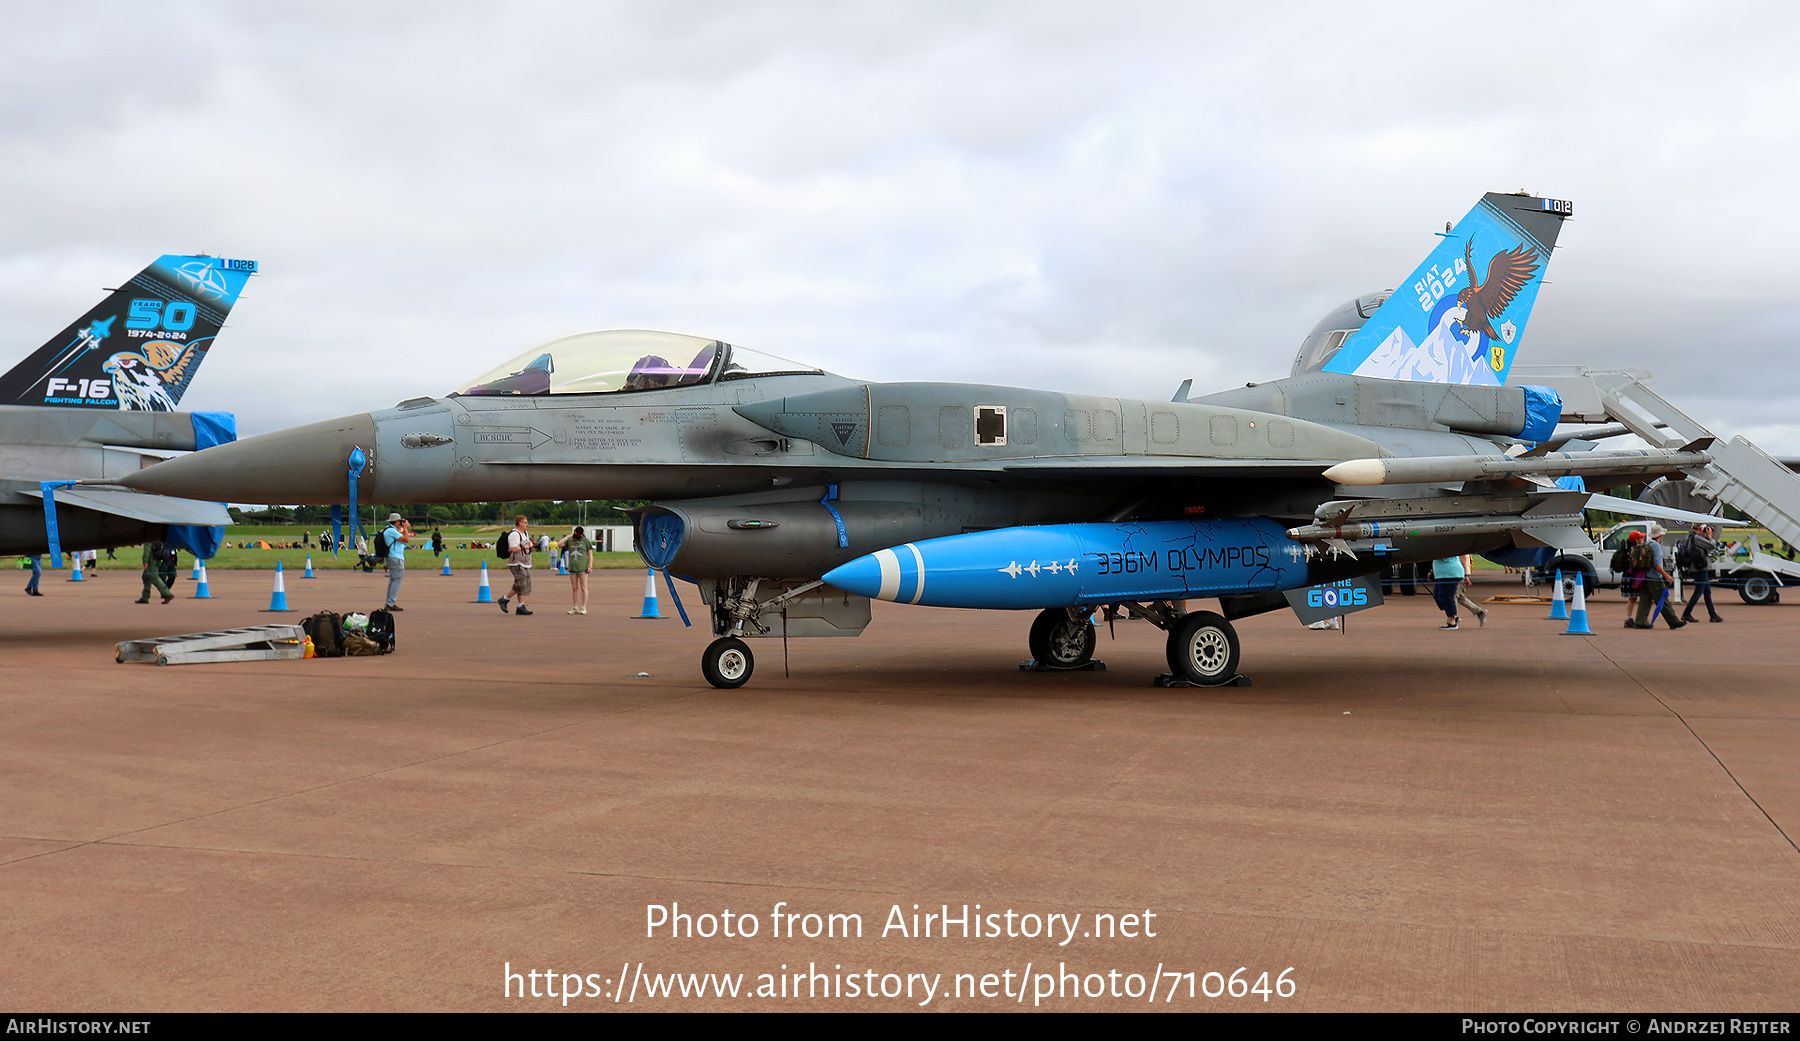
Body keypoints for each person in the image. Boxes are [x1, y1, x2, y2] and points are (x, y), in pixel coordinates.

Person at [1629, 524, 1687, 630]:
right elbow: (1657, 564)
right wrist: (1667, 576)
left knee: (1645, 600)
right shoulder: (1656, 546)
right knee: (1663, 600)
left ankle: (1640, 621)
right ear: (1660, 535)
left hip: (1645, 576)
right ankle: (1673, 621)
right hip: (1654, 577)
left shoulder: (1647, 543)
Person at [1678, 524, 1723, 624]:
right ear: (1701, 529)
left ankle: (1713, 615)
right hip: (1699, 568)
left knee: (1707, 592)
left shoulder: (1690, 536)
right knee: (1698, 592)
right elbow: (1711, 545)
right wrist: (1710, 537)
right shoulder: (1696, 538)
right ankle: (1686, 614)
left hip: (1695, 567)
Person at [500, 515, 534, 616]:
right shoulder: (514, 534)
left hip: (526, 562)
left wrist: (529, 545)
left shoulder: (525, 533)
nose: (527, 524)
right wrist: (524, 545)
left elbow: (528, 543)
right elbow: (513, 548)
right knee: (521, 582)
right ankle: (504, 599)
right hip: (516, 562)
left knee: (526, 583)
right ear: (520, 523)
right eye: (525, 522)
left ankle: (520, 606)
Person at [560, 525, 594, 614]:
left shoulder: (586, 541)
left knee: (583, 587)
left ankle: (584, 607)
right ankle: (575, 607)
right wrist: (568, 537)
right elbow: (559, 544)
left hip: (583, 567)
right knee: (574, 588)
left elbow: (590, 554)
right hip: (572, 567)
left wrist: (590, 566)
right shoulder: (571, 540)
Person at [381, 512, 411, 611]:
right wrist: (405, 528)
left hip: (393, 557)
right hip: (396, 558)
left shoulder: (390, 530)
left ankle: (389, 603)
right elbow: (406, 539)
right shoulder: (391, 531)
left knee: (393, 581)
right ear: (397, 521)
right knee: (396, 581)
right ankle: (391, 603)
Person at [1454, 553, 1488, 627]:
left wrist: (1466, 575)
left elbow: (1464, 560)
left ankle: (1453, 617)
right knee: (1460, 597)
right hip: (1456, 573)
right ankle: (1479, 612)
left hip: (1458, 574)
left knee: (1454, 596)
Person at [1431, 555, 1463, 629]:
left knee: (1447, 596)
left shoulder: (1446, 547)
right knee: (1437, 595)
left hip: (1450, 573)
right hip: (1442, 574)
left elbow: (1444, 556)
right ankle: (1452, 614)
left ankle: (1452, 621)